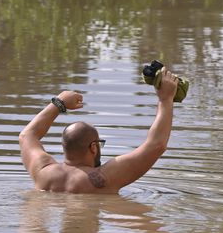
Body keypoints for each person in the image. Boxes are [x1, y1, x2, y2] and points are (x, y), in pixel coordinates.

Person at [19, 68, 179, 194]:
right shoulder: (104, 178)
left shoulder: (42, 172)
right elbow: (156, 145)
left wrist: (58, 103)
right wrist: (165, 99)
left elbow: (27, 135)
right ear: (93, 147)